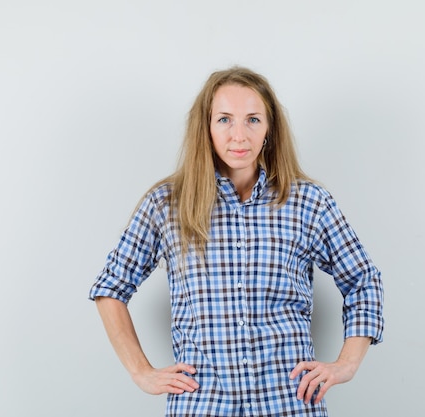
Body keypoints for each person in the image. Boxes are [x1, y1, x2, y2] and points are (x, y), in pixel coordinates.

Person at [88, 66, 384, 417]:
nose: (239, 135)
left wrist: (346, 364)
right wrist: (141, 372)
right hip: (202, 404)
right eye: (225, 119)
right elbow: (110, 288)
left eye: (253, 120)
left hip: (288, 403)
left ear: (269, 129)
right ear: (207, 127)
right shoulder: (167, 204)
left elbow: (363, 279)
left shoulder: (309, 202)